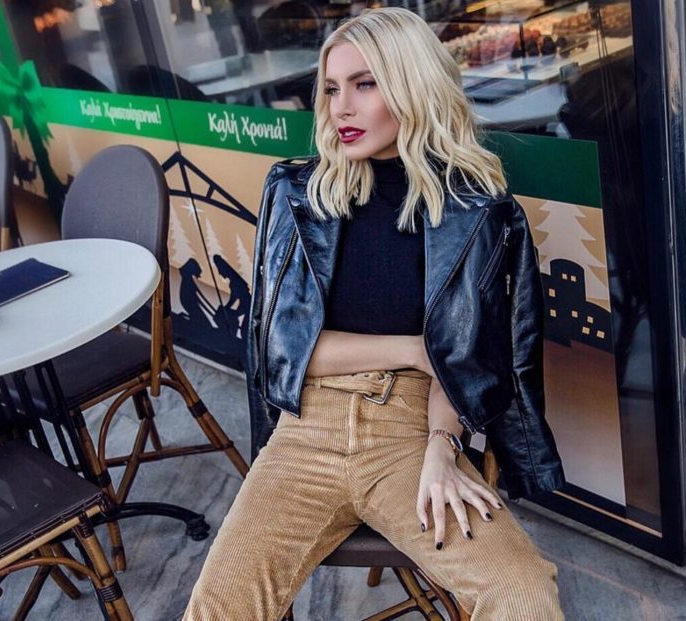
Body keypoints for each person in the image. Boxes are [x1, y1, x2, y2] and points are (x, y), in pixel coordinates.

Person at [184, 8, 565, 620]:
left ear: (414, 85)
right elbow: (287, 347)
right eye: (332, 89)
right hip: (306, 432)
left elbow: (469, 357)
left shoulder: (476, 211)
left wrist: (443, 445)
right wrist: (414, 348)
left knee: (522, 593)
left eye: (365, 84)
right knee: (217, 610)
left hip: (410, 432)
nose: (342, 108)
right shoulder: (297, 195)